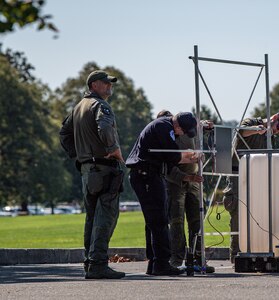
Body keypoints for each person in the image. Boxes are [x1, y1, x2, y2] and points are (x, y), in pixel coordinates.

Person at [60, 70, 125, 279]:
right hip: (104, 168)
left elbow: (64, 134)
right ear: (94, 85)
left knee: (92, 217)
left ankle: (90, 262)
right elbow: (105, 127)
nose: (110, 87)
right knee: (106, 216)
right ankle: (98, 264)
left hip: (88, 170)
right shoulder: (100, 105)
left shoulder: (78, 107)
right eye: (106, 83)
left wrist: (78, 156)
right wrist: (114, 148)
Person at [126, 111, 200, 276]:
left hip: (147, 175)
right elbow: (172, 156)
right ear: (178, 126)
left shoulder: (164, 126)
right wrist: (194, 157)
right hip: (146, 175)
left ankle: (155, 263)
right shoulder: (163, 127)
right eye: (183, 132)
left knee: (154, 222)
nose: (182, 135)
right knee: (159, 220)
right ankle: (161, 264)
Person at [223, 112, 279, 262]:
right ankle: (235, 255)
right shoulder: (251, 122)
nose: (277, 132)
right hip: (238, 176)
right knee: (238, 215)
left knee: (259, 215)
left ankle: (255, 250)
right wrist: (257, 129)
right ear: (274, 118)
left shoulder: (270, 136)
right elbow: (241, 131)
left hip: (257, 177)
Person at [155, 110, 215, 273]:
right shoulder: (165, 137)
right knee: (176, 221)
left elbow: (198, 127)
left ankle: (198, 257)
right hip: (175, 182)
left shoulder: (185, 131)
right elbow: (167, 167)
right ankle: (177, 259)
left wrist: (204, 125)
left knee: (197, 219)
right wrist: (185, 177)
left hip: (194, 179)